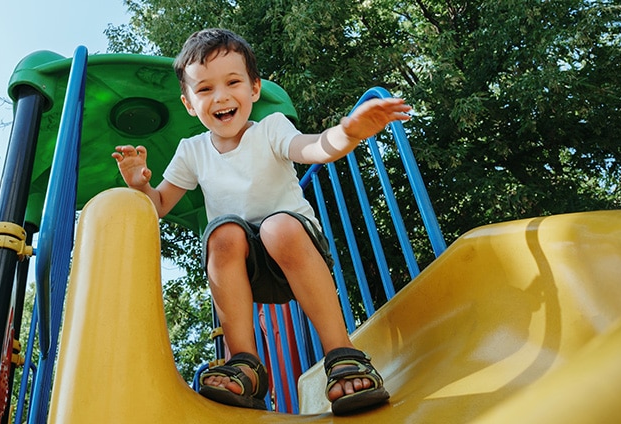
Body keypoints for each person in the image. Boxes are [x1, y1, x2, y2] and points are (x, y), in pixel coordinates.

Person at [111, 28, 411, 415]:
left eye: (232, 82)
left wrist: (347, 133)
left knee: (276, 226)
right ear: (188, 103)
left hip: (295, 250)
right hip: (244, 270)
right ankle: (246, 365)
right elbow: (161, 204)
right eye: (204, 90)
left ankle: (342, 352)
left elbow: (313, 148)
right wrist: (139, 186)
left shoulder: (272, 129)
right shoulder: (192, 151)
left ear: (254, 88)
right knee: (222, 233)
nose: (220, 96)